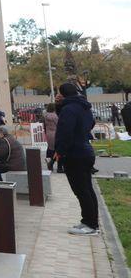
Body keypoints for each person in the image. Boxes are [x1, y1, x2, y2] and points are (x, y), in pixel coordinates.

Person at [55, 82, 99, 235]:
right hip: (86, 150)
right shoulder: (84, 106)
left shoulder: (68, 109)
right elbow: (91, 123)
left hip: (75, 154)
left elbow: (65, 132)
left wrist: (59, 151)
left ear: (62, 94)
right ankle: (91, 221)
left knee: (81, 190)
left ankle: (90, 224)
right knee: (87, 188)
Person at [44, 102, 59, 171]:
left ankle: (49, 160)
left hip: (48, 134)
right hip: (55, 134)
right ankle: (54, 164)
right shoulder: (55, 116)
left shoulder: (46, 116)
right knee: (57, 149)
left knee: (50, 148)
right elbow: (59, 125)